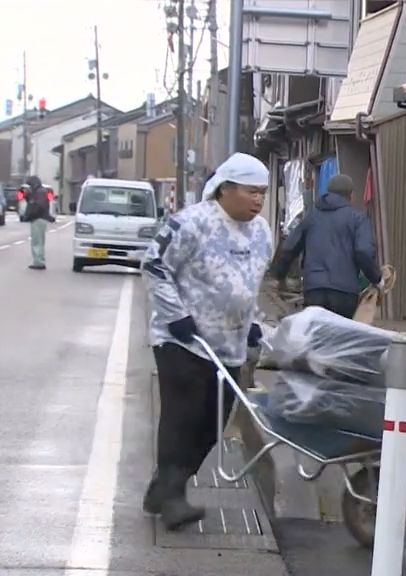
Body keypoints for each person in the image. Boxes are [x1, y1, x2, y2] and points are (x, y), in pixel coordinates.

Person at [141, 153, 273, 531]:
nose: (258, 200)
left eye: (262, 193)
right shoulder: (191, 223)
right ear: (225, 189)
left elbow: (249, 285)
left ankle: (164, 487)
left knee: (211, 425)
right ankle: (173, 497)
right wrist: (175, 316)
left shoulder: (262, 232)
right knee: (183, 418)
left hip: (229, 344)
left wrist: (253, 324)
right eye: (251, 192)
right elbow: (154, 266)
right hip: (183, 340)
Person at [272, 174, 382, 319]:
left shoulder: (311, 218)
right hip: (345, 292)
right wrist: (376, 278)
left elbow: (288, 247)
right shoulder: (358, 219)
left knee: (317, 336)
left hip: (314, 290)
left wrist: (279, 276)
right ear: (351, 195)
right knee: (340, 337)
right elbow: (363, 251)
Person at [24, 176, 55, 270]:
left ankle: (38, 262)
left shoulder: (39, 192)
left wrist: (31, 215)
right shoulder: (41, 192)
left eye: (30, 185)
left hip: (37, 219)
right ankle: (39, 260)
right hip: (41, 218)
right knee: (40, 241)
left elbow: (38, 206)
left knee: (37, 241)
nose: (29, 187)